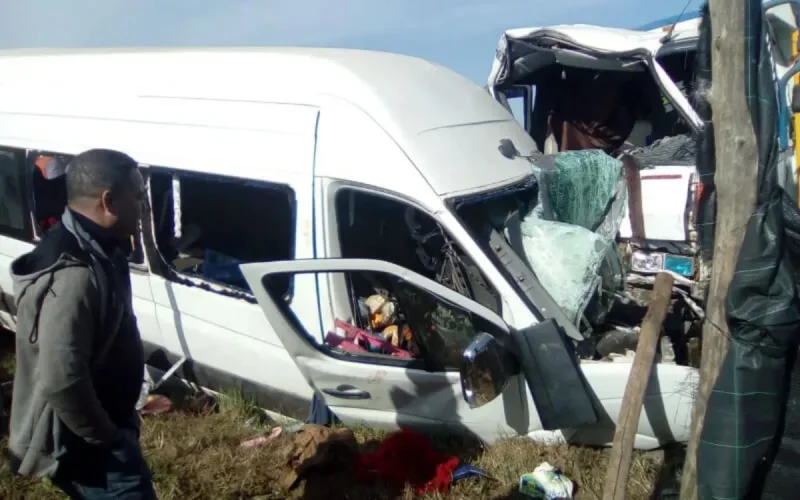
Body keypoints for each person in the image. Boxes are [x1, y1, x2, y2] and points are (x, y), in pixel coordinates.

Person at [7, 149, 155, 499]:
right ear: (109, 201)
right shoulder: (75, 274)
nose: (144, 208)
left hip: (107, 429)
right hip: (94, 454)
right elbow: (62, 379)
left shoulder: (97, 246)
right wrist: (107, 438)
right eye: (138, 197)